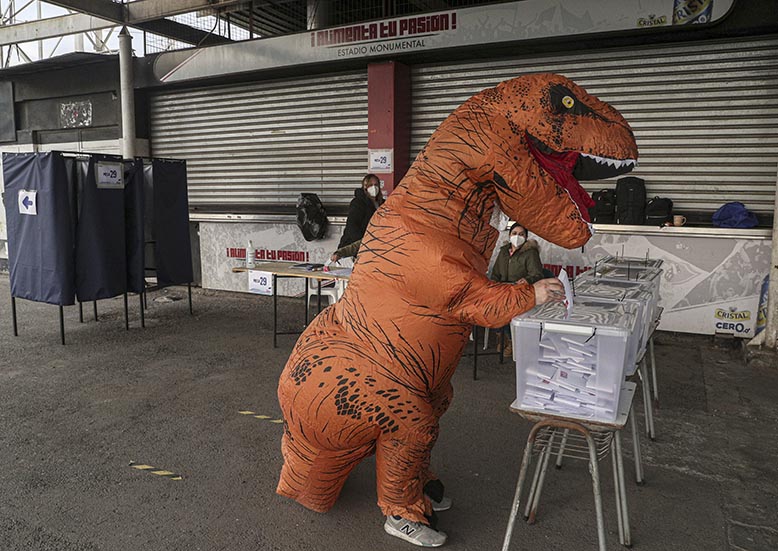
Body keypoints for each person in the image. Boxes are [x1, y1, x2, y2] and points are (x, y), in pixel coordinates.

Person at [491, 222, 545, 356]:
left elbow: (537, 274)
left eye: (521, 234)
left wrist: (526, 280)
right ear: (509, 235)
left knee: (509, 310)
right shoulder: (504, 251)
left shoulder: (530, 252)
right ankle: (500, 335)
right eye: (514, 234)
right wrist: (493, 285)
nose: (517, 237)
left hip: (520, 291)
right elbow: (496, 272)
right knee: (492, 307)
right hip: (503, 289)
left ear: (526, 237)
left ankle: (511, 340)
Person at [337, 174, 384, 250]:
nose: (374, 188)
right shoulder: (358, 203)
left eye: (376, 185)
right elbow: (352, 227)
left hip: (372, 245)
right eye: (370, 185)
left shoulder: (381, 203)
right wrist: (363, 243)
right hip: (354, 245)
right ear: (365, 187)